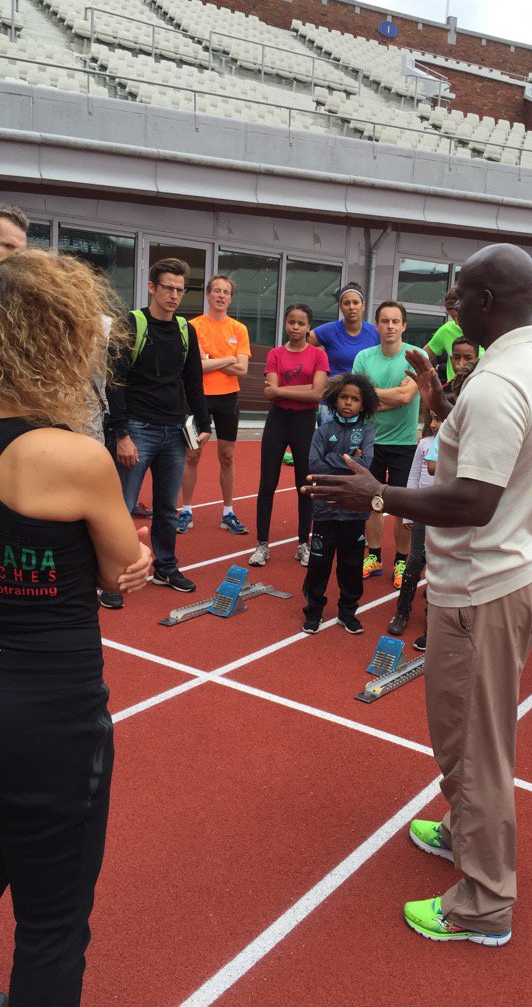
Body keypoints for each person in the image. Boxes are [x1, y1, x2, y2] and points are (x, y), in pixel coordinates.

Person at [306, 243, 532, 948]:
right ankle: (462, 828)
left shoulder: (498, 384)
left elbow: (475, 499)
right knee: (470, 728)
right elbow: (500, 461)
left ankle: (483, 904)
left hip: (485, 582)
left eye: (457, 300)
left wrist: (381, 494)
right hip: (518, 570)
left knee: (474, 742)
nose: (451, 313)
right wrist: (440, 403)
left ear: (485, 304)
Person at [0, 248, 152, 1004]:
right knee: (53, 928)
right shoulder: (74, 457)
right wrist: (135, 554)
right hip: (52, 723)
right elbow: (120, 571)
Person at [105, 257, 211, 609]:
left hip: (174, 432)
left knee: (168, 508)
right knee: (122, 508)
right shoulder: (131, 324)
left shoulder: (186, 330)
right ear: (152, 287)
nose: (175, 295)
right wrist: (121, 433)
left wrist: (205, 424)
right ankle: (113, 577)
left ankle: (165, 567)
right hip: (137, 428)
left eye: (180, 290)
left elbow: (193, 381)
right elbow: (114, 380)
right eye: (168, 288)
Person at [251, 303, 329, 568]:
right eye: (291, 322)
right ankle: (262, 544)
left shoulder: (319, 356)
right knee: (267, 484)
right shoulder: (274, 354)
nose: (295, 327)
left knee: (304, 485)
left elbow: (318, 394)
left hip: (304, 422)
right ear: (286, 324)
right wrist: (304, 388)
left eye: (301, 323)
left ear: (309, 327)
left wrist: (282, 390)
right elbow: (269, 392)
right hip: (278, 420)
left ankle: (303, 545)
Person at [352, 301, 424, 588]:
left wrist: (371, 398)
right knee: (373, 503)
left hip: (404, 444)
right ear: (377, 325)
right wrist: (375, 399)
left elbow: (407, 397)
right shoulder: (364, 357)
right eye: (385, 321)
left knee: (402, 507)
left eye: (396, 321)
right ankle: (374, 556)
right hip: (370, 442)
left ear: (404, 326)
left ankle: (402, 562)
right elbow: (356, 401)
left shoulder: (415, 357)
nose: (390, 326)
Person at [302, 372, 378, 634]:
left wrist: (334, 459)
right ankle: (313, 610)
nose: (348, 402)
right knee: (319, 563)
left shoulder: (367, 431)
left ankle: (347, 612)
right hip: (325, 509)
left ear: (363, 404)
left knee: (352, 565)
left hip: (355, 512)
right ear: (335, 399)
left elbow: (365, 465)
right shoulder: (323, 430)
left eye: (355, 399)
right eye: (344, 397)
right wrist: (348, 459)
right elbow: (314, 464)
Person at [176, 275, 251, 536]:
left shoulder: (239, 329)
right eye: (216, 291)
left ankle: (228, 513)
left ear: (230, 298)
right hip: (198, 398)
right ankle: (185, 510)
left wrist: (212, 359)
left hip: (228, 398)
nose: (221, 295)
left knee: (227, 457)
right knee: (192, 455)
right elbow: (195, 366)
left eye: (226, 292)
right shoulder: (192, 326)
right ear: (207, 295)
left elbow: (242, 369)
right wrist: (227, 359)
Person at [386, 408, 440, 641]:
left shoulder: (459, 447)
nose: (436, 424)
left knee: (440, 563)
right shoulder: (425, 444)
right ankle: (402, 611)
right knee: (415, 559)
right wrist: (408, 513)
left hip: (445, 513)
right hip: (421, 510)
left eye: (442, 419)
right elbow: (413, 477)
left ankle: (434, 616)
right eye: (434, 419)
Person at [308, 282, 378, 421]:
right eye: (346, 303)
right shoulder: (329, 330)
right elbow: (299, 344)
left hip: (360, 404)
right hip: (331, 403)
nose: (351, 307)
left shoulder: (375, 333)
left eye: (355, 303)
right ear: (341, 307)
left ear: (363, 306)